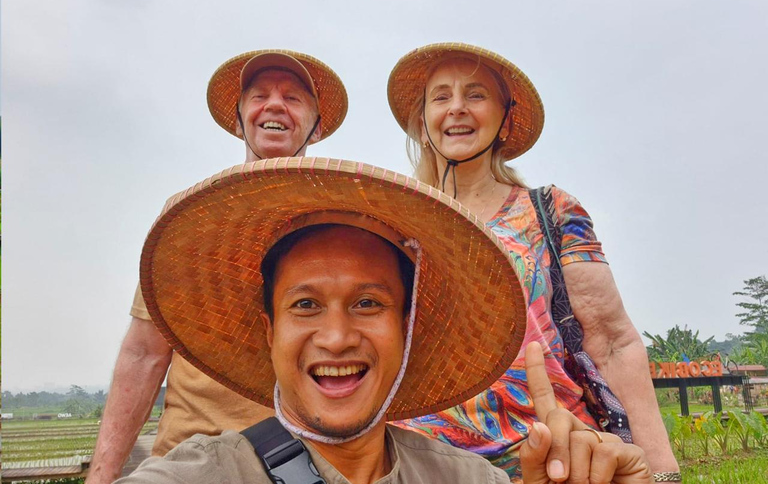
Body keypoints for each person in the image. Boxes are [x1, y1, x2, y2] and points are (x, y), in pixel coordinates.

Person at [116, 158, 653, 484]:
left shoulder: (463, 476)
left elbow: (616, 340)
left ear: (408, 326)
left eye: (369, 303)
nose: (336, 337)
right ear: (268, 331)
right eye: (304, 305)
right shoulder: (202, 474)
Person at [386, 42, 680, 482]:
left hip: (552, 456)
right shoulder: (393, 222)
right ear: (424, 122)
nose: (458, 108)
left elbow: (613, 341)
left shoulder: (553, 212)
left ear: (505, 118)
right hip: (420, 463)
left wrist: (662, 472)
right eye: (441, 96)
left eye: (476, 94)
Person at [86, 50, 348, 484]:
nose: (275, 105)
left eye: (294, 98)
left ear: (317, 128)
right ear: (239, 118)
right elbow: (144, 352)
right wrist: (101, 476)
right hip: (191, 456)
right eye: (259, 95)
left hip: (310, 463)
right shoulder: (189, 218)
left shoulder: (341, 224)